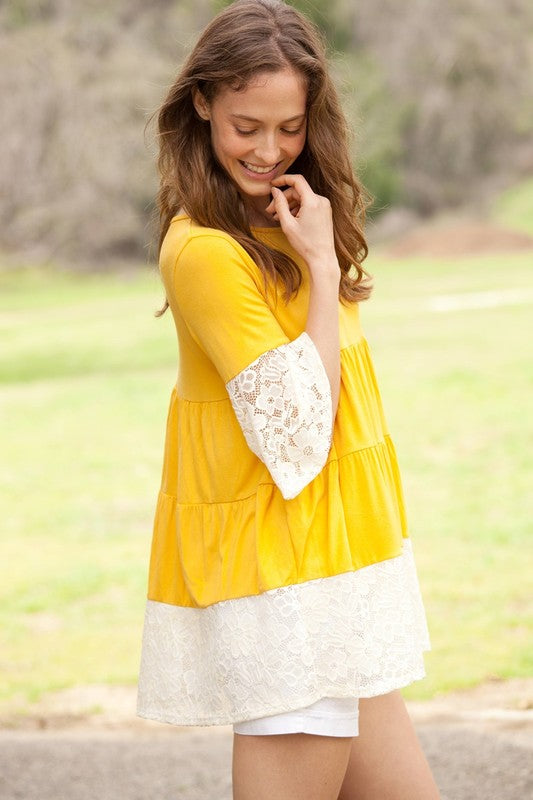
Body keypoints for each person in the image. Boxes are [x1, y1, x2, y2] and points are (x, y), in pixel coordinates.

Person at [137, 1, 440, 797]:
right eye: (246, 126)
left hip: (342, 563)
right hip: (285, 584)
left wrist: (314, 254)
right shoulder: (203, 249)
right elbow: (298, 437)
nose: (269, 151)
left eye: (289, 126)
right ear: (201, 103)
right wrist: (317, 270)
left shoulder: (300, 219)